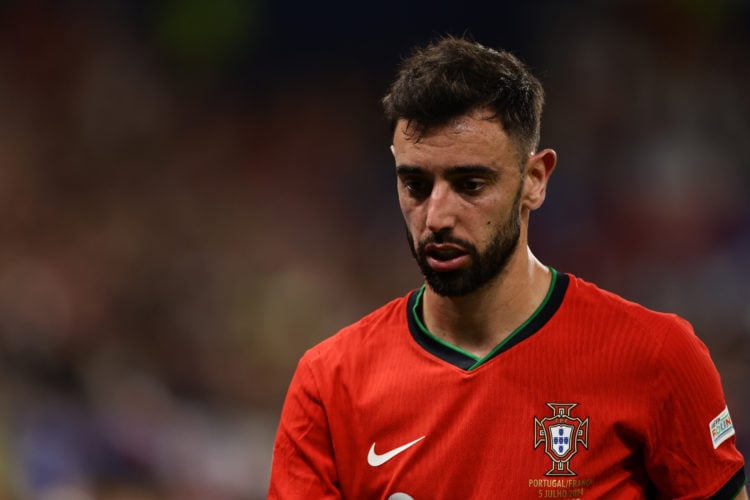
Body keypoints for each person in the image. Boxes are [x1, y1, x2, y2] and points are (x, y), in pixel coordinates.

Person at [268, 35, 747, 499]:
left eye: (471, 184)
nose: (436, 217)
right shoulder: (329, 383)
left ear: (535, 180)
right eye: (415, 185)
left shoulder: (658, 356)